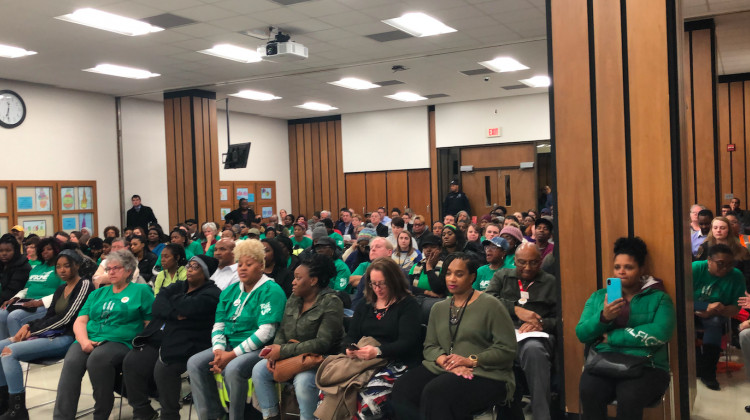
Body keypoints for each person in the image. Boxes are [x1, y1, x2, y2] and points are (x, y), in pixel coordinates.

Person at [392, 253, 517, 420]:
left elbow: (507, 349)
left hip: (485, 372)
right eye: (448, 273)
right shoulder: (438, 308)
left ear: (472, 277)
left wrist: (470, 360)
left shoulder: (491, 305)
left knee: (437, 393)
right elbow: (430, 346)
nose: (452, 279)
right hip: (445, 367)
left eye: (459, 274)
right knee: (403, 387)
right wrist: (446, 362)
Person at [186, 239, 286, 420]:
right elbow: (219, 324)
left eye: (249, 264)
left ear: (261, 266)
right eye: (240, 264)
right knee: (195, 363)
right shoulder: (230, 291)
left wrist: (230, 355)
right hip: (228, 346)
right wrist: (218, 350)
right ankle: (212, 415)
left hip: (260, 349)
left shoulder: (272, 290)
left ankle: (236, 416)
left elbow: (266, 332)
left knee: (233, 368)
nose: (243, 268)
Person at [577, 237, 675, 419]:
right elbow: (582, 333)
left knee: (629, 396)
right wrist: (604, 317)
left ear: (641, 270)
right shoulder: (599, 297)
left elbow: (662, 332)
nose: (621, 272)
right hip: (605, 361)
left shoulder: (659, 298)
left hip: (647, 365)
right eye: (617, 267)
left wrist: (613, 337)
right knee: (589, 391)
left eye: (628, 267)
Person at [54, 250, 154, 420]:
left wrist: (146, 348)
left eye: (117, 268)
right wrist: (84, 341)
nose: (112, 272)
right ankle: (62, 417)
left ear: (129, 271)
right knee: (71, 362)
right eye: (109, 269)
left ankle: (100, 415)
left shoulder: (141, 290)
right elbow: (80, 321)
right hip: (90, 337)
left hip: (120, 340)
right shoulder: (97, 293)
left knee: (97, 360)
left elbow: (150, 323)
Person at [319, 258, 421, 420]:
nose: (378, 288)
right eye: (374, 284)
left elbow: (407, 342)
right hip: (365, 361)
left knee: (369, 399)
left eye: (382, 283)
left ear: (394, 280)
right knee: (331, 390)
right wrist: (349, 348)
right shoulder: (366, 305)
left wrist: (378, 351)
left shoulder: (408, 305)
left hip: (397, 362)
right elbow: (351, 336)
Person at [123, 255, 221, 420]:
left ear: (204, 273)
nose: (189, 269)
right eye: (189, 265)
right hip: (161, 336)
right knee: (132, 362)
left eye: (196, 267)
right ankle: (142, 411)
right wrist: (175, 312)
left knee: (164, 368)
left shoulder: (212, 293)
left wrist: (171, 299)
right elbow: (157, 306)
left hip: (190, 341)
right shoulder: (179, 286)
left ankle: (170, 414)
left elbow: (188, 308)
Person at [0, 250, 93, 419]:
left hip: (65, 338)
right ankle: (4, 403)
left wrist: (31, 332)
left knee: (9, 353)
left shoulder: (84, 285)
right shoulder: (61, 288)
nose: (62, 270)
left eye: (66, 266)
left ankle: (18, 409)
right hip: (48, 334)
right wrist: (28, 325)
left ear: (77, 266)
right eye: (58, 267)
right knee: (0, 347)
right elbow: (49, 315)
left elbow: (67, 319)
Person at [252, 254, 344, 420]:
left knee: (303, 381)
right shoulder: (294, 298)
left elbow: (323, 343)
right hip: (292, 356)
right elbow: (282, 329)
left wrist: (283, 351)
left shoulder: (331, 302)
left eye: (298, 278)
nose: (293, 282)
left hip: (321, 360)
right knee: (259, 370)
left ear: (313, 280)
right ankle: (271, 415)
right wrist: (275, 353)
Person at [485, 243, 558, 420]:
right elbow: (487, 301)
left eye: (533, 262)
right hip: (505, 334)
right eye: (522, 262)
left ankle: (542, 416)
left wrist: (542, 323)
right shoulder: (502, 276)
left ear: (540, 261)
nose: (527, 268)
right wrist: (515, 309)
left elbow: (560, 318)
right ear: (513, 261)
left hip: (536, 337)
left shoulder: (550, 282)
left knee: (533, 350)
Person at [693, 243, 745, 390]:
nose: (725, 268)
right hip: (690, 310)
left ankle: (708, 373)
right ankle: (695, 365)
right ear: (709, 260)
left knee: (714, 323)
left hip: (717, 314)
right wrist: (704, 307)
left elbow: (735, 308)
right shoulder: (696, 268)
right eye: (720, 264)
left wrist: (716, 310)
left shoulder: (736, 276)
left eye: (730, 264)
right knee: (681, 322)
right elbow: (680, 297)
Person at [0, 237, 61, 339]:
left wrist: (40, 302)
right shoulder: (37, 268)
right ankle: (3, 348)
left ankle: (18, 349)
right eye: (42, 250)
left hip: (46, 305)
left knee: (14, 317)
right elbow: (27, 288)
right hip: (28, 303)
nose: (45, 252)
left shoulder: (60, 268)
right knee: (1, 313)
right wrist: (15, 298)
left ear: (56, 250)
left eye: (49, 249)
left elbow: (63, 291)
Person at [0, 235, 32, 340]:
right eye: (1, 250)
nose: (4, 253)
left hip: (16, 300)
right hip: (4, 299)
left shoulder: (23, 266)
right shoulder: (2, 264)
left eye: (8, 250)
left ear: (16, 251)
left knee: (2, 314)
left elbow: (11, 291)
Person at [350, 237, 394, 309]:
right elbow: (357, 301)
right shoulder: (367, 273)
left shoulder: (397, 273)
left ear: (389, 252)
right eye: (371, 248)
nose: (373, 249)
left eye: (378, 247)